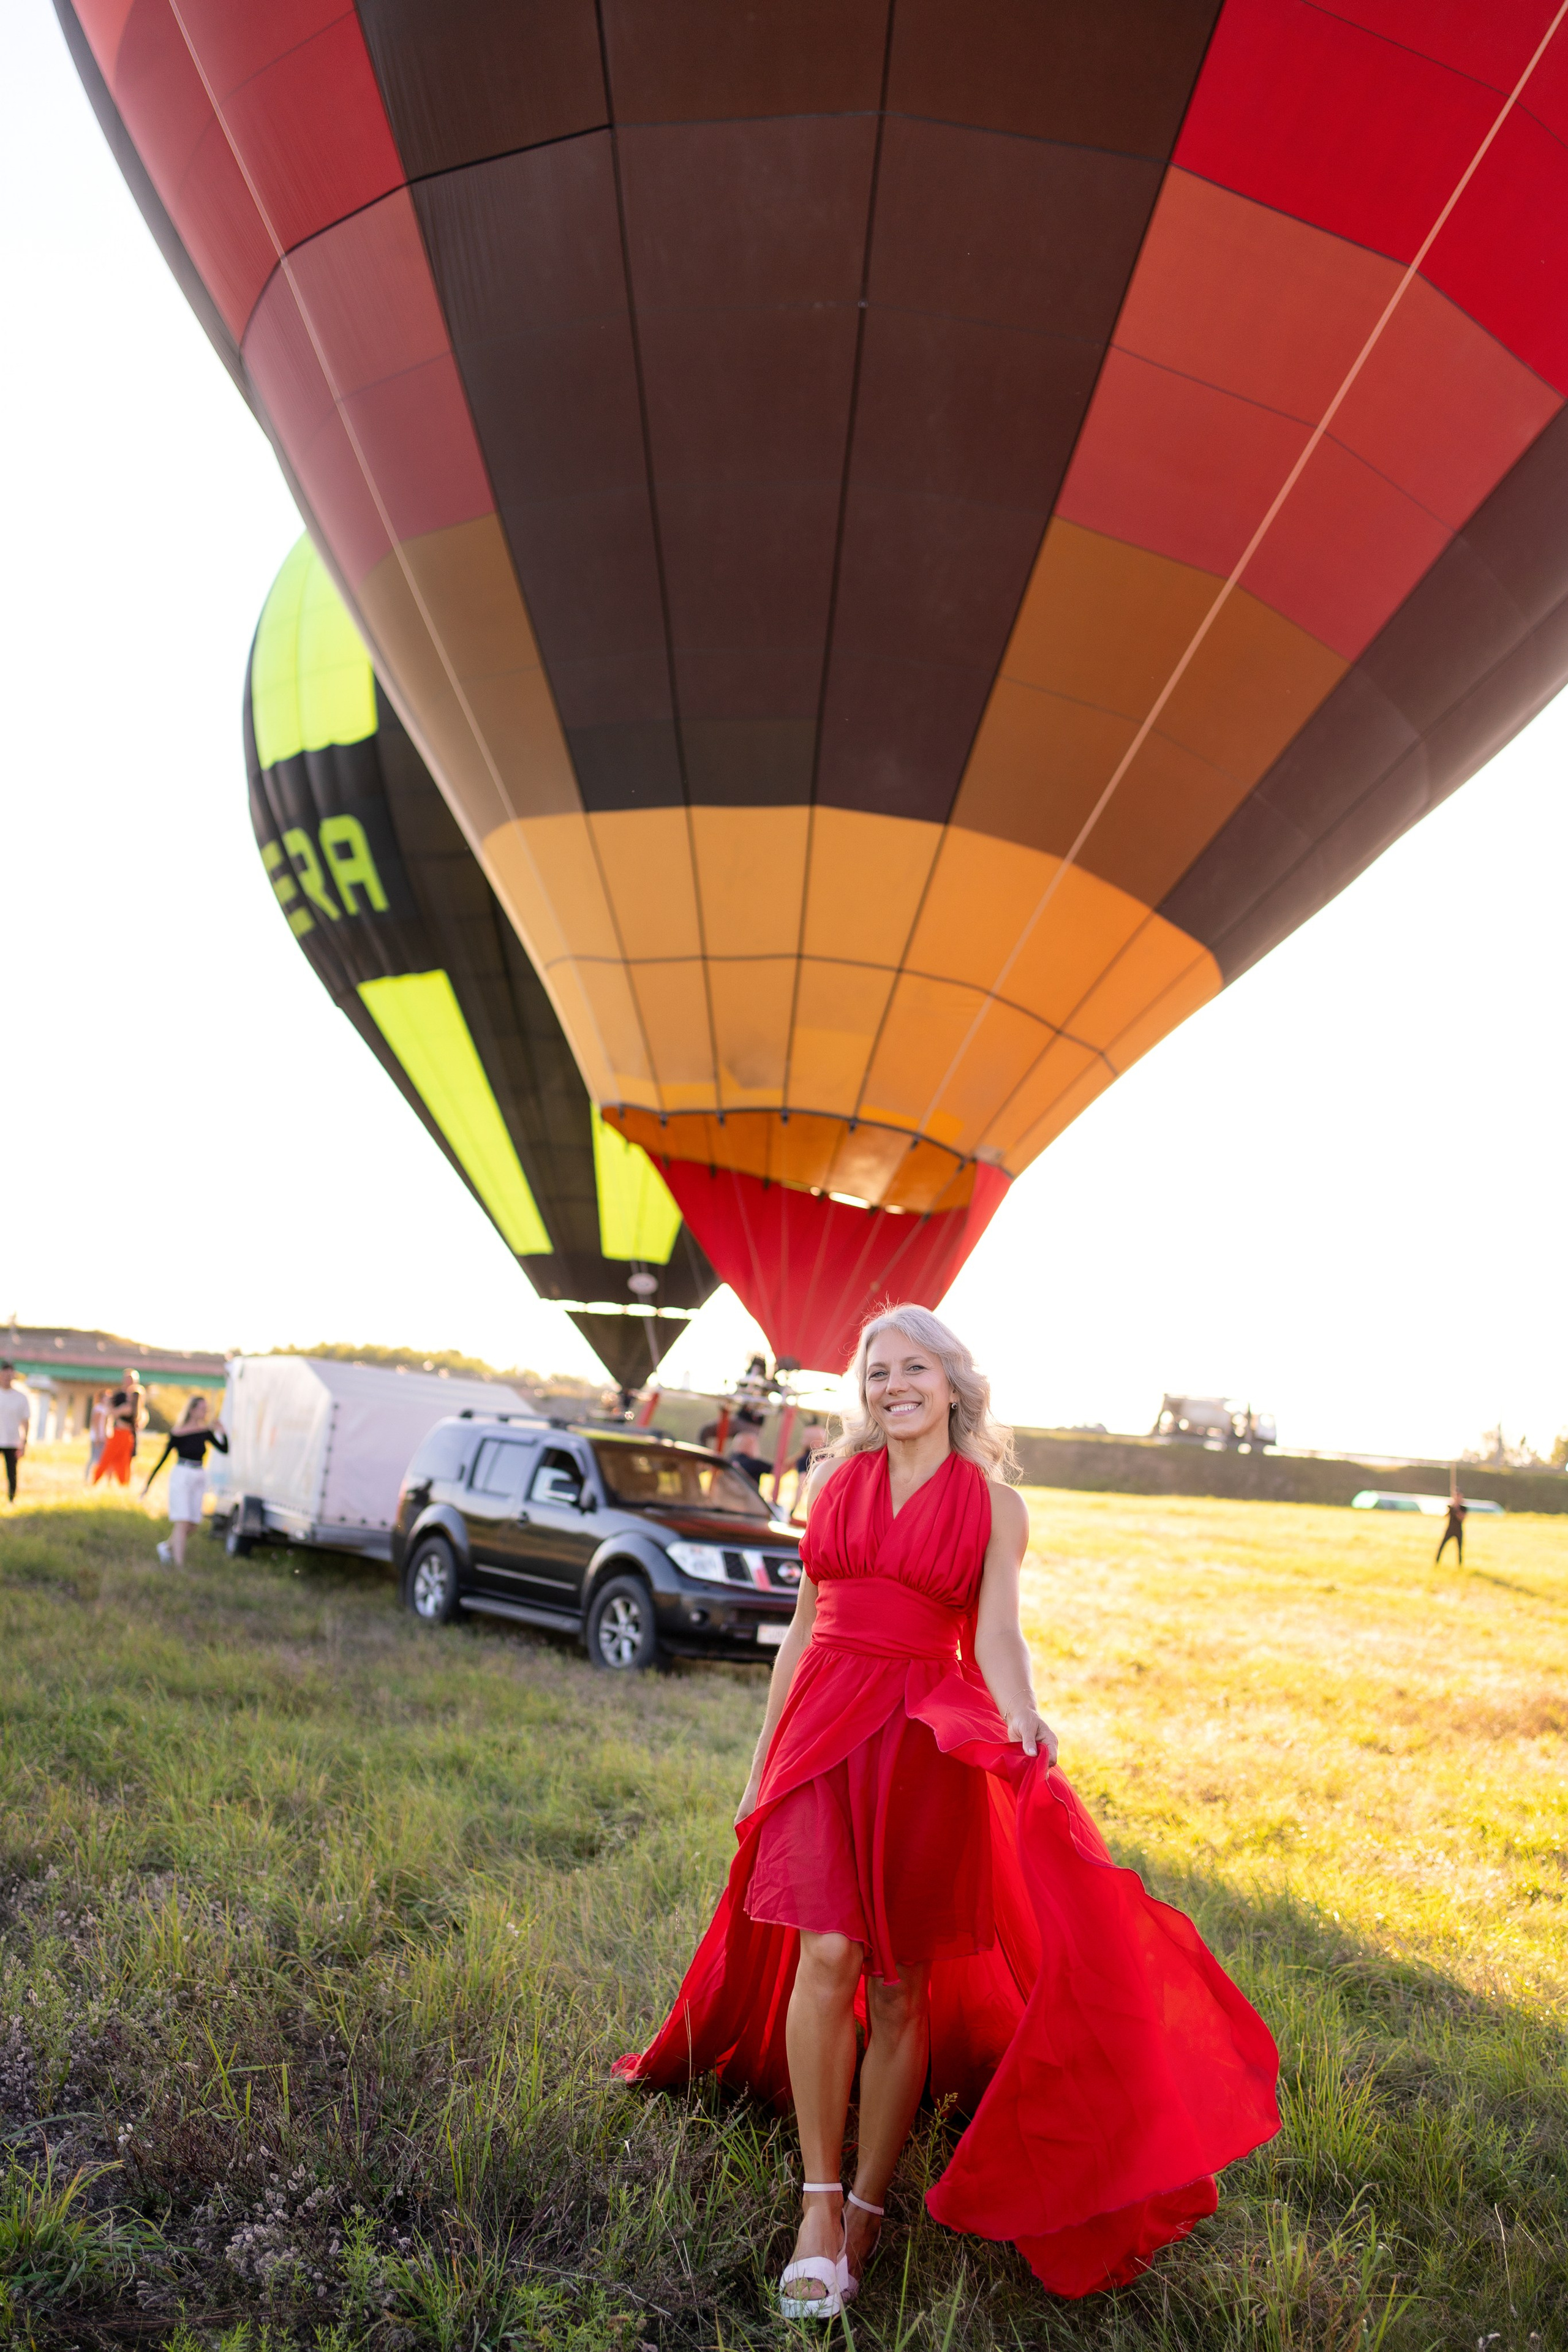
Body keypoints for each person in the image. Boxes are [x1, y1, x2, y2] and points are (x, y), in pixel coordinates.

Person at [617, 1304, 1280, 2312]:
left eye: (912, 1367)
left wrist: (1021, 1709)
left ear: (956, 1383)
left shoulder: (996, 1507)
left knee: (897, 1985)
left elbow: (999, 1632)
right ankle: (819, 2201)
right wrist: (761, 1766)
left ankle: (875, 2206)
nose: (891, 1385)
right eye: (875, 1370)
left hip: (922, 1747)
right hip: (819, 1738)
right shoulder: (834, 1484)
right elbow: (800, 1634)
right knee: (824, 1953)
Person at [141, 1395, 228, 1566]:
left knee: (193, 1525)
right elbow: (162, 1459)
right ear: (193, 1410)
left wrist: (223, 1433)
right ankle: (179, 1566)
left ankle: (166, 1547)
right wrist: (148, 1484)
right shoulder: (178, 1433)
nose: (206, 1412)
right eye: (203, 1409)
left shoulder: (205, 1432)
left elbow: (224, 1450)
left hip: (199, 1475)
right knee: (182, 1522)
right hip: (182, 1475)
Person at [92, 1370, 143, 1488]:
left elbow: (141, 1413)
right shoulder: (118, 1395)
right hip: (118, 1431)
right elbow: (111, 1412)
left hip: (130, 1433)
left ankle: (124, 1485)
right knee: (108, 1458)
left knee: (126, 1460)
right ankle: (99, 1482)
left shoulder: (137, 1395)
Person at [0, 1365, 29, 1504]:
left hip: (12, 1441)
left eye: (10, 1375)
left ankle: (11, 1500)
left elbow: (25, 1421)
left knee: (12, 1473)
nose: (7, 1378)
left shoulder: (21, 1398)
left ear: (14, 1376)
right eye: (4, 1375)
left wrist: (24, 1442)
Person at [84, 1390, 111, 1483]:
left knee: (101, 1459)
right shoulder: (99, 1408)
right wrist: (99, 1437)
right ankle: (88, 1479)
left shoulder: (105, 1409)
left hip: (102, 1437)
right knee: (94, 1459)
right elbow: (96, 1424)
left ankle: (96, 1479)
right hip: (98, 1438)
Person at [1436, 1490, 1468, 1566]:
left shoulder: (1463, 1508)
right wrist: (1451, 1508)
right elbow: (1444, 1516)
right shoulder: (1451, 1507)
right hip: (1449, 1530)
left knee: (1459, 1549)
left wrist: (1457, 1509)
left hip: (1458, 1530)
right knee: (1441, 1547)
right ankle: (1437, 1563)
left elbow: (1462, 1518)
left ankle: (1460, 1565)